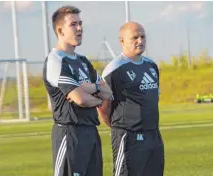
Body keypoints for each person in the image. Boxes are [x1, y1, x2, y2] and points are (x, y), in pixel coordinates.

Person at [42, 5, 112, 176]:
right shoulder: (56, 61)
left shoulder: (82, 61)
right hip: (69, 133)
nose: (80, 28)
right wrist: (95, 95)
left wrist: (90, 88)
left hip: (90, 132)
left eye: (80, 23)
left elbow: (107, 92)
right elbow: (80, 98)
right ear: (60, 30)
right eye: (73, 24)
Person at [98, 21, 164, 176]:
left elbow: (155, 99)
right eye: (135, 37)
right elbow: (103, 108)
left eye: (142, 36)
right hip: (128, 137)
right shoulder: (114, 69)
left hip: (154, 135)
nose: (140, 41)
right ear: (122, 41)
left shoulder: (151, 66)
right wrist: (121, 128)